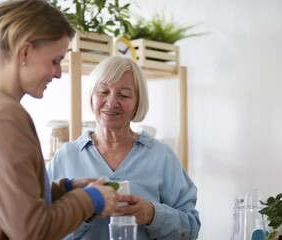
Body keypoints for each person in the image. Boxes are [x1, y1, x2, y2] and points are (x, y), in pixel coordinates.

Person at [0, 1, 118, 239]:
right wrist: (89, 200)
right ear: (24, 52)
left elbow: (5, 200)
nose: (57, 73)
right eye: (55, 60)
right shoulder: (2, 118)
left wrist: (62, 191)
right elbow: (31, 230)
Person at [47, 56, 201, 239]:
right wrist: (81, 209)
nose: (111, 103)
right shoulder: (66, 156)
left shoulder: (162, 157)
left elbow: (191, 227)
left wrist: (153, 215)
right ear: (91, 96)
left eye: (124, 95)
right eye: (103, 91)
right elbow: (43, 228)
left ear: (138, 102)